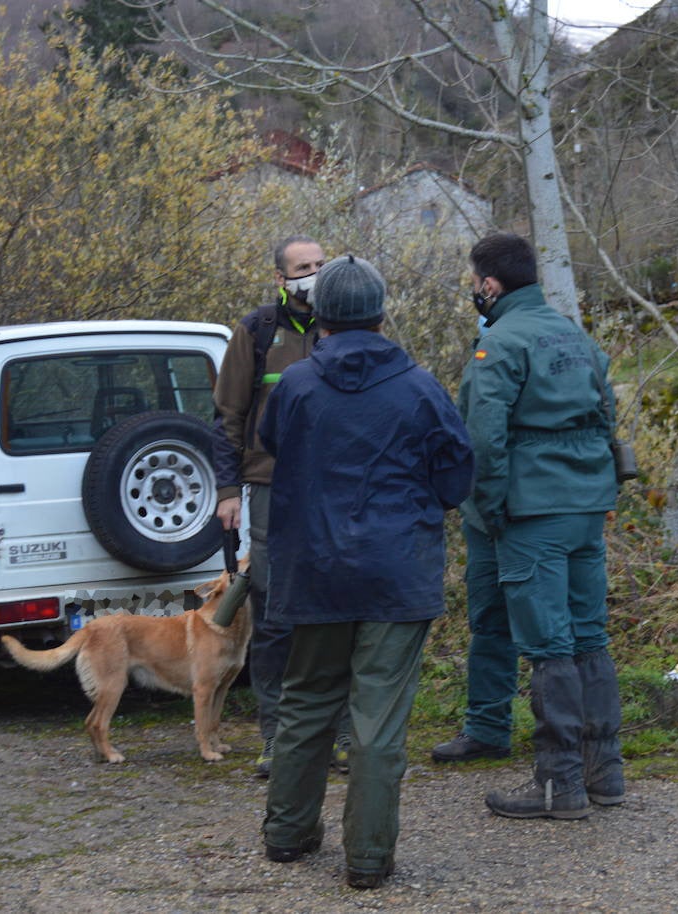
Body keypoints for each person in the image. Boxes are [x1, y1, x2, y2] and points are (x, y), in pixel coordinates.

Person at [258, 255, 473, 889]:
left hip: (316, 568)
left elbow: (272, 445)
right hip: (395, 571)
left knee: (305, 702)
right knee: (378, 719)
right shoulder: (420, 387)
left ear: (318, 314)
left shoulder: (294, 383)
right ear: (382, 314)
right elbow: (457, 475)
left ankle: (287, 835)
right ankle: (369, 858)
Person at [449, 231, 625, 820]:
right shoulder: (574, 335)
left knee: (548, 645)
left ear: (490, 285)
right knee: (589, 636)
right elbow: (607, 413)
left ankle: (558, 785)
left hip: (533, 513)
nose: (475, 290)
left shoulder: (499, 345)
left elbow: (484, 438)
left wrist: (491, 508)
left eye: (476, 282)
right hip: (584, 508)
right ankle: (606, 774)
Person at [211, 234, 349, 777]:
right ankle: (275, 738)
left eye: (320, 265)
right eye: (302, 267)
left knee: (336, 613)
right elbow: (227, 416)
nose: (313, 274)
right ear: (281, 279)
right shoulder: (257, 331)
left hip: (335, 493)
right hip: (269, 491)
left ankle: (337, 736)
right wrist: (227, 492)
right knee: (271, 616)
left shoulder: (347, 325)